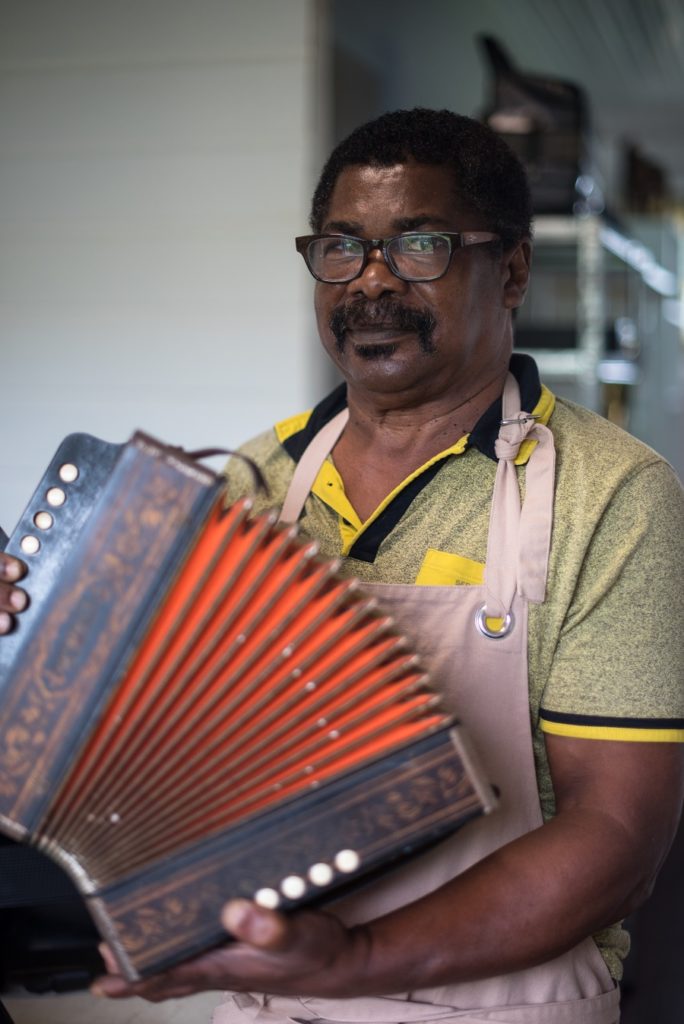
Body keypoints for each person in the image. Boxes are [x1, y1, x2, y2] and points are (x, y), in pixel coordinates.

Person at [1, 108, 683, 1023]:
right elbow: (147, 739)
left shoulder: (613, 492)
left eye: (420, 246)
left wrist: (356, 960)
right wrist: (24, 644)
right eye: (341, 247)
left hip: (502, 1007)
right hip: (264, 1001)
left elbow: (617, 834)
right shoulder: (247, 479)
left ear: (512, 269)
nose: (371, 282)